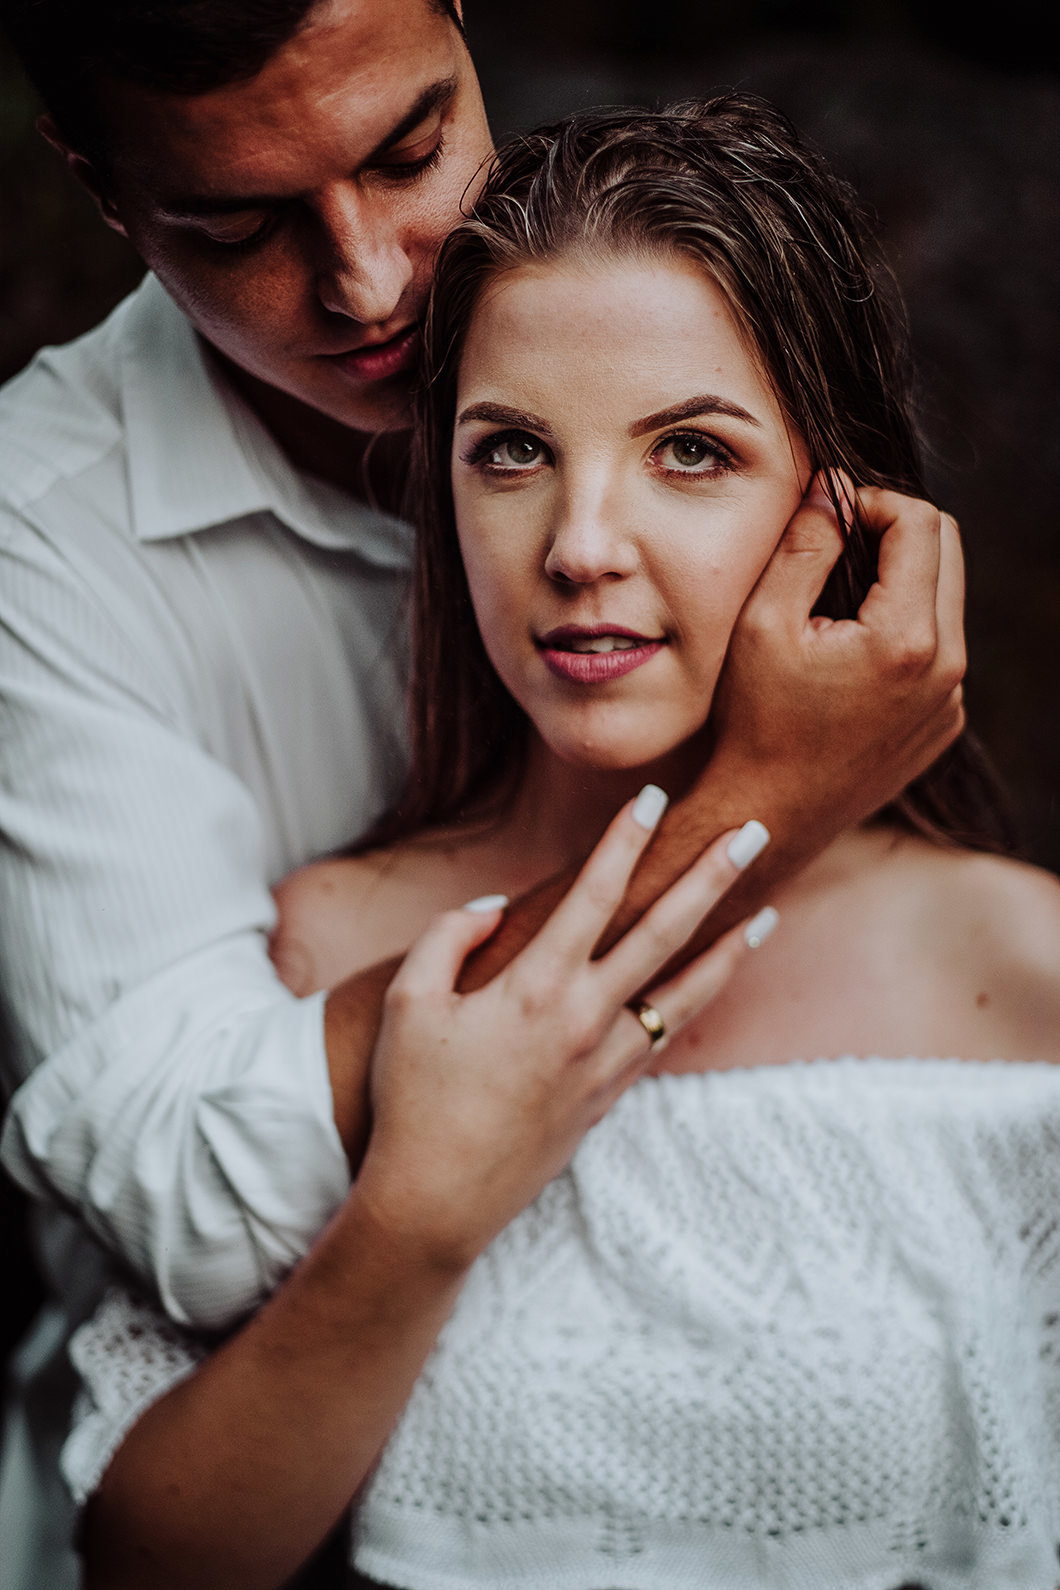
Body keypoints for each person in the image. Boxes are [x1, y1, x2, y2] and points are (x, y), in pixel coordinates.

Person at [0, 1, 963, 1585]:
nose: (374, 282)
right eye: (236, 225)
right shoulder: (51, 540)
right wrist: (761, 809)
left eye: (410, 150)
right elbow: (184, 1199)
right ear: (104, 193)